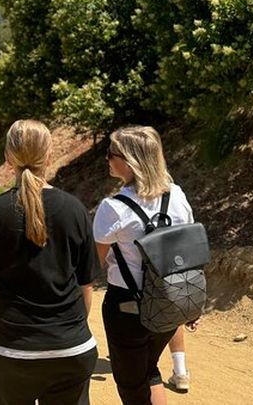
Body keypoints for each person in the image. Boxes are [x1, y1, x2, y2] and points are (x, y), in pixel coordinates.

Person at [0, 119, 102, 405]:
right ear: (49, 156)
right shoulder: (75, 209)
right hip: (71, 350)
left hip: (9, 350)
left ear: (8, 158)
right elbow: (86, 286)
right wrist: (69, 331)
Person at [93, 125, 196, 405]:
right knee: (149, 369)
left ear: (130, 161)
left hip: (127, 306)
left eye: (111, 153)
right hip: (170, 300)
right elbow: (187, 249)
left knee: (131, 386)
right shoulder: (177, 195)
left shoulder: (113, 208)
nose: (107, 158)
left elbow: (91, 266)